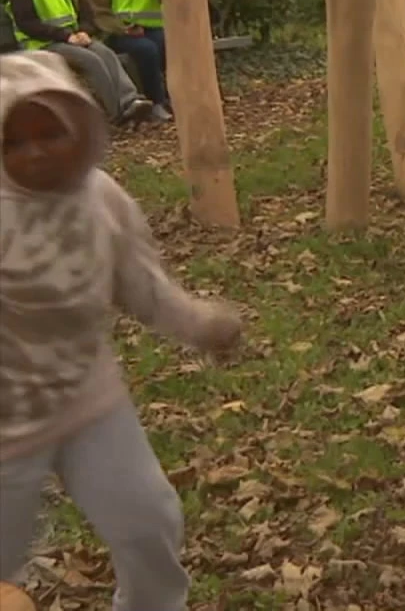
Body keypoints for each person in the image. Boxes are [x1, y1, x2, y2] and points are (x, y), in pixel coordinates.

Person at [0, 51, 246, 610]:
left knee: (147, 522)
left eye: (49, 133)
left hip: (87, 401)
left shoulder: (102, 199)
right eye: (13, 142)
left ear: (81, 127)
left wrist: (203, 326)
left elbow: (142, 287)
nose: (34, 151)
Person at [5, 0, 152, 126]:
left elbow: (87, 13)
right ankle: (119, 112)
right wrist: (66, 36)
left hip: (73, 39)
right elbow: (27, 23)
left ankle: (131, 100)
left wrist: (84, 31)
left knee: (106, 53)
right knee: (91, 60)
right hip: (42, 43)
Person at [89, 0, 171, 121]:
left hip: (154, 29)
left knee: (167, 45)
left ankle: (170, 97)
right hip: (121, 32)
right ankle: (156, 102)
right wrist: (121, 28)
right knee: (147, 50)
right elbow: (96, 8)